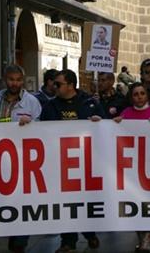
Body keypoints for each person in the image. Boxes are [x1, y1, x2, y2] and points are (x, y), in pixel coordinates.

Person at [40, 69, 104, 253]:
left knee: (85, 201)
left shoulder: (90, 103)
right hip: (60, 164)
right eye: (54, 83)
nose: (54, 86)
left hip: (86, 163)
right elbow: (41, 131)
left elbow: (106, 126)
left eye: (58, 84)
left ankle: (90, 233)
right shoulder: (50, 107)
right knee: (65, 202)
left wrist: (100, 121)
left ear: (70, 85)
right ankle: (68, 241)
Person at [0, 64, 42, 253]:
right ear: (5, 79)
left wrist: (31, 125)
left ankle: (19, 242)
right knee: (0, 200)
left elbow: (42, 131)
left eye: (18, 79)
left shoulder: (32, 102)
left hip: (24, 161)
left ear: (23, 81)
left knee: (22, 202)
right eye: (11, 79)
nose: (15, 83)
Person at [114, 82, 150, 253]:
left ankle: (147, 240)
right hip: (132, 165)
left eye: (142, 93)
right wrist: (117, 123)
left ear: (147, 95)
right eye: (135, 94)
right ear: (131, 97)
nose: (139, 97)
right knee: (135, 202)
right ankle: (141, 238)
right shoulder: (126, 113)